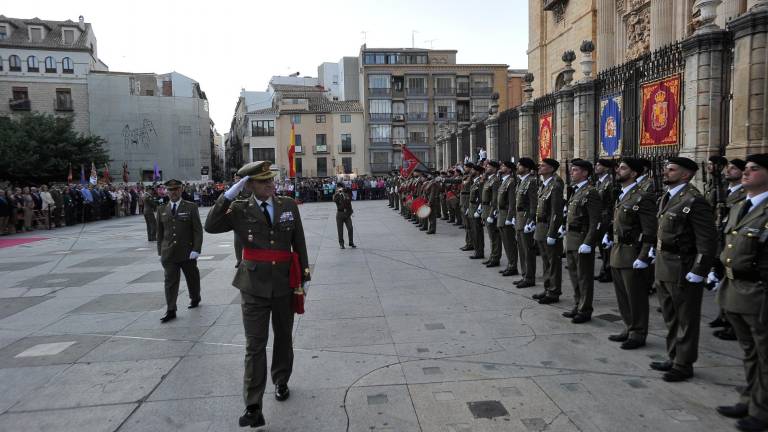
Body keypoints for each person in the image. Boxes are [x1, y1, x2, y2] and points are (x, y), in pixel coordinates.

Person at [204, 161, 310, 429]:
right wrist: (229, 194)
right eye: (263, 182)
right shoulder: (239, 209)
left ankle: (281, 379)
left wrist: (304, 278)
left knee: (284, 336)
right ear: (249, 185)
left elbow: (299, 241)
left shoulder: (287, 205)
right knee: (255, 345)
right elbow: (211, 225)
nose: (271, 185)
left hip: (285, 283)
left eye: (271, 180)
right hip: (253, 285)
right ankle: (252, 406)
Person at [649, 157, 716, 382]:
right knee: (670, 315)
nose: (666, 172)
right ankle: (673, 355)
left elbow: (707, 240)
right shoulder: (668, 197)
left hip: (682, 265)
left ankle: (684, 363)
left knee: (686, 318)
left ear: (686, 174)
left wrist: (700, 269)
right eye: (666, 169)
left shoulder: (695, 200)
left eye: (671, 169)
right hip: (664, 263)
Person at [715, 154, 768, 432]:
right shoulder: (741, 207)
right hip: (736, 289)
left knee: (764, 354)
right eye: (745, 169)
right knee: (749, 351)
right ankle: (749, 399)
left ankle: (762, 409)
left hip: (759, 293)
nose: (746, 173)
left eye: (754, 169)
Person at [607, 158, 657, 349]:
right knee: (622, 295)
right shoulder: (623, 194)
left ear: (634, 173)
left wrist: (644, 256)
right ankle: (628, 327)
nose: (618, 171)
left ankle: (638, 332)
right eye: (619, 167)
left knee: (635, 296)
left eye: (623, 168)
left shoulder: (642, 197)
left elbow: (649, 230)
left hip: (632, 253)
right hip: (618, 251)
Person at [711, 158, 748, 341]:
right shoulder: (725, 190)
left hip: (732, 241)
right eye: (729, 168)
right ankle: (723, 315)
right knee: (723, 280)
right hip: (722, 239)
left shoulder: (743, 194)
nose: (729, 171)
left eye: (734, 168)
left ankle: (732, 324)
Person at [156, 179, 203, 323]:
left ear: (181, 190)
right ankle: (171, 309)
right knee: (170, 281)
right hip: (169, 253)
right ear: (166, 192)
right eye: (170, 190)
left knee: (192, 277)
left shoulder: (190, 207)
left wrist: (196, 249)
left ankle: (195, 297)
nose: (173, 192)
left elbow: (197, 230)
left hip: (187, 252)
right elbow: (160, 233)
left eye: (176, 189)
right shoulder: (162, 209)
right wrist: (160, 252)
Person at [561, 159, 601, 323]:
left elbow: (595, 221)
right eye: (572, 169)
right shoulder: (576, 191)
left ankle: (585, 309)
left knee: (584, 277)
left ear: (585, 173)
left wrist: (589, 242)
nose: (572, 172)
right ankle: (578, 304)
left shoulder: (590, 192)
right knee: (574, 276)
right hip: (571, 238)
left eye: (576, 170)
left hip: (582, 240)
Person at [532, 158, 565, 303]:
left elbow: (556, 212)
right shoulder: (544, 185)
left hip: (549, 227)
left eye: (543, 165)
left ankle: (554, 291)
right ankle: (547, 288)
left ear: (551, 169)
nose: (540, 167)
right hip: (541, 227)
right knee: (545, 261)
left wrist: (553, 232)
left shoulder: (555, 185)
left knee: (553, 262)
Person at [514, 158, 539, 288]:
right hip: (519, 217)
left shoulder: (531, 182)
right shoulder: (521, 181)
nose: (517, 168)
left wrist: (531, 220)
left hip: (525, 218)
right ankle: (524, 274)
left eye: (520, 166)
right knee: (521, 249)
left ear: (527, 168)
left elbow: (533, 204)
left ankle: (529, 277)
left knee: (528, 249)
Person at [594, 159, 616, 283]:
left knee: (606, 246)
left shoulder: (609, 183)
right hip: (599, 217)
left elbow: (612, 202)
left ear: (607, 168)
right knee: (602, 246)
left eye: (600, 165)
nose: (597, 167)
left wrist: (612, 220)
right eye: (596, 164)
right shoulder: (599, 183)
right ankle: (604, 269)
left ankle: (608, 270)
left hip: (606, 217)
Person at [497, 160, 519, 276]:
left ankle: (513, 266)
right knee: (505, 242)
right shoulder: (503, 181)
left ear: (509, 169)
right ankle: (510, 264)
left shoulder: (511, 181)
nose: (501, 167)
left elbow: (512, 201)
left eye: (504, 166)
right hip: (501, 214)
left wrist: (510, 217)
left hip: (506, 214)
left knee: (510, 242)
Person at [481, 161, 502, 267]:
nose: (486, 168)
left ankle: (495, 258)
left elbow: (494, 200)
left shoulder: (495, 181)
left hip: (490, 210)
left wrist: (491, 214)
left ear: (494, 169)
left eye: (488, 167)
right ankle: (492, 256)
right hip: (485, 209)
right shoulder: (488, 179)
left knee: (494, 236)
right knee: (491, 236)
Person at [333, 182, 355, 248]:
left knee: (350, 228)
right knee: (340, 230)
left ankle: (351, 242)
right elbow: (334, 200)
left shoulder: (347, 193)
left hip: (347, 214)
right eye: (338, 187)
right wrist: (338, 193)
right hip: (339, 214)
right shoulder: (336, 194)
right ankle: (341, 244)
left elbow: (349, 200)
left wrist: (345, 192)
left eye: (341, 187)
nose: (340, 189)